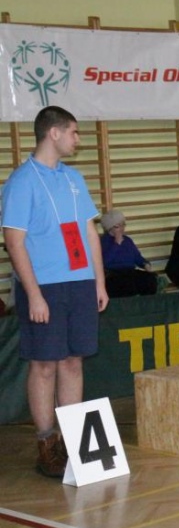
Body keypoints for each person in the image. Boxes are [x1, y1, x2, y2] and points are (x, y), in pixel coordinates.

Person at [1, 106, 109, 477]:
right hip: (44, 286)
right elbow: (14, 242)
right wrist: (33, 294)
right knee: (44, 364)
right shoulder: (21, 182)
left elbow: (89, 232)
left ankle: (73, 440)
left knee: (73, 361)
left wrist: (99, 281)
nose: (78, 139)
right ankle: (46, 444)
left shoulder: (74, 177)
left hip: (79, 283)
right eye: (74, 132)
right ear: (54, 133)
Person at [100, 209, 158, 297]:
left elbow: (137, 257)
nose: (122, 228)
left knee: (150, 280)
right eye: (118, 226)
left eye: (123, 224)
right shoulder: (104, 241)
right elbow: (104, 262)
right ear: (110, 228)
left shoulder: (127, 240)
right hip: (113, 274)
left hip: (130, 272)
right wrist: (116, 244)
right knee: (126, 284)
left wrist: (145, 264)